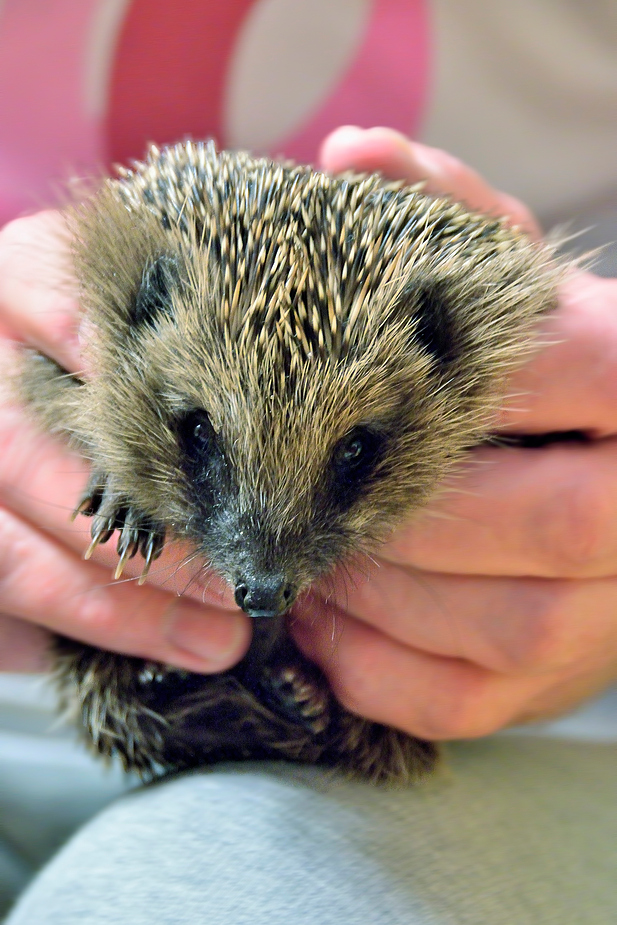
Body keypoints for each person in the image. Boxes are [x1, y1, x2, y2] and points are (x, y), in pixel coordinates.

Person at [1, 2, 616, 922]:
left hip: (523, 731)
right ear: (130, 323)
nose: (258, 572)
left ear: (440, 351)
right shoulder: (120, 311)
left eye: (353, 456)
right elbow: (61, 380)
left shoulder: (465, 334)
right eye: (200, 442)